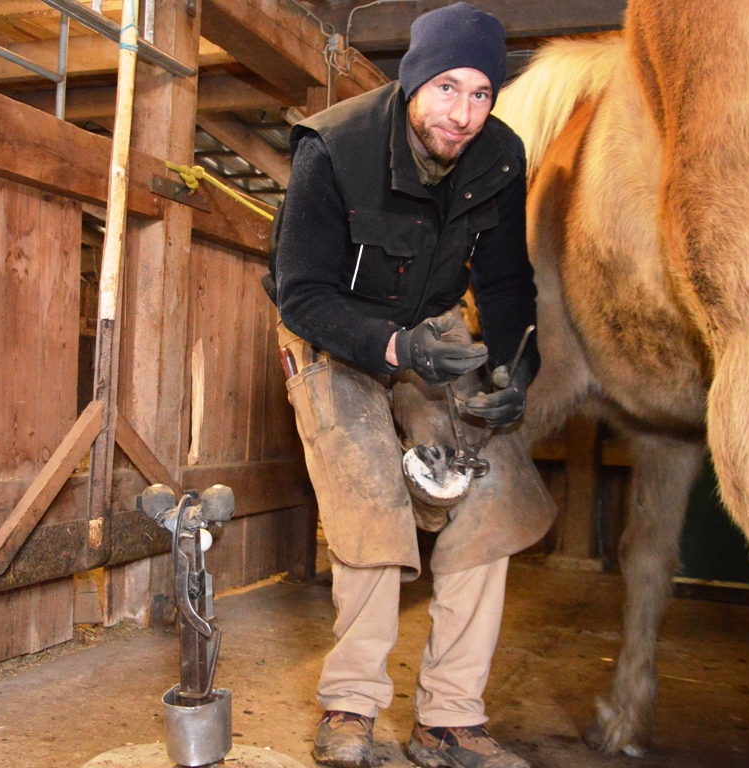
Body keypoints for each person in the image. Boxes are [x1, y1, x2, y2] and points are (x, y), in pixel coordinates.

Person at [272, 4, 556, 767]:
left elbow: (503, 284)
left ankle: (449, 720)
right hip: (334, 337)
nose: (461, 114)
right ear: (411, 81)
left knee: (491, 499)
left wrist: (512, 370)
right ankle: (351, 708)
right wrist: (393, 349)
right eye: (445, 88)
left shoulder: (499, 156)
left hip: (429, 331)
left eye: (480, 94)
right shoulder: (334, 147)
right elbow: (298, 292)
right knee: (371, 502)